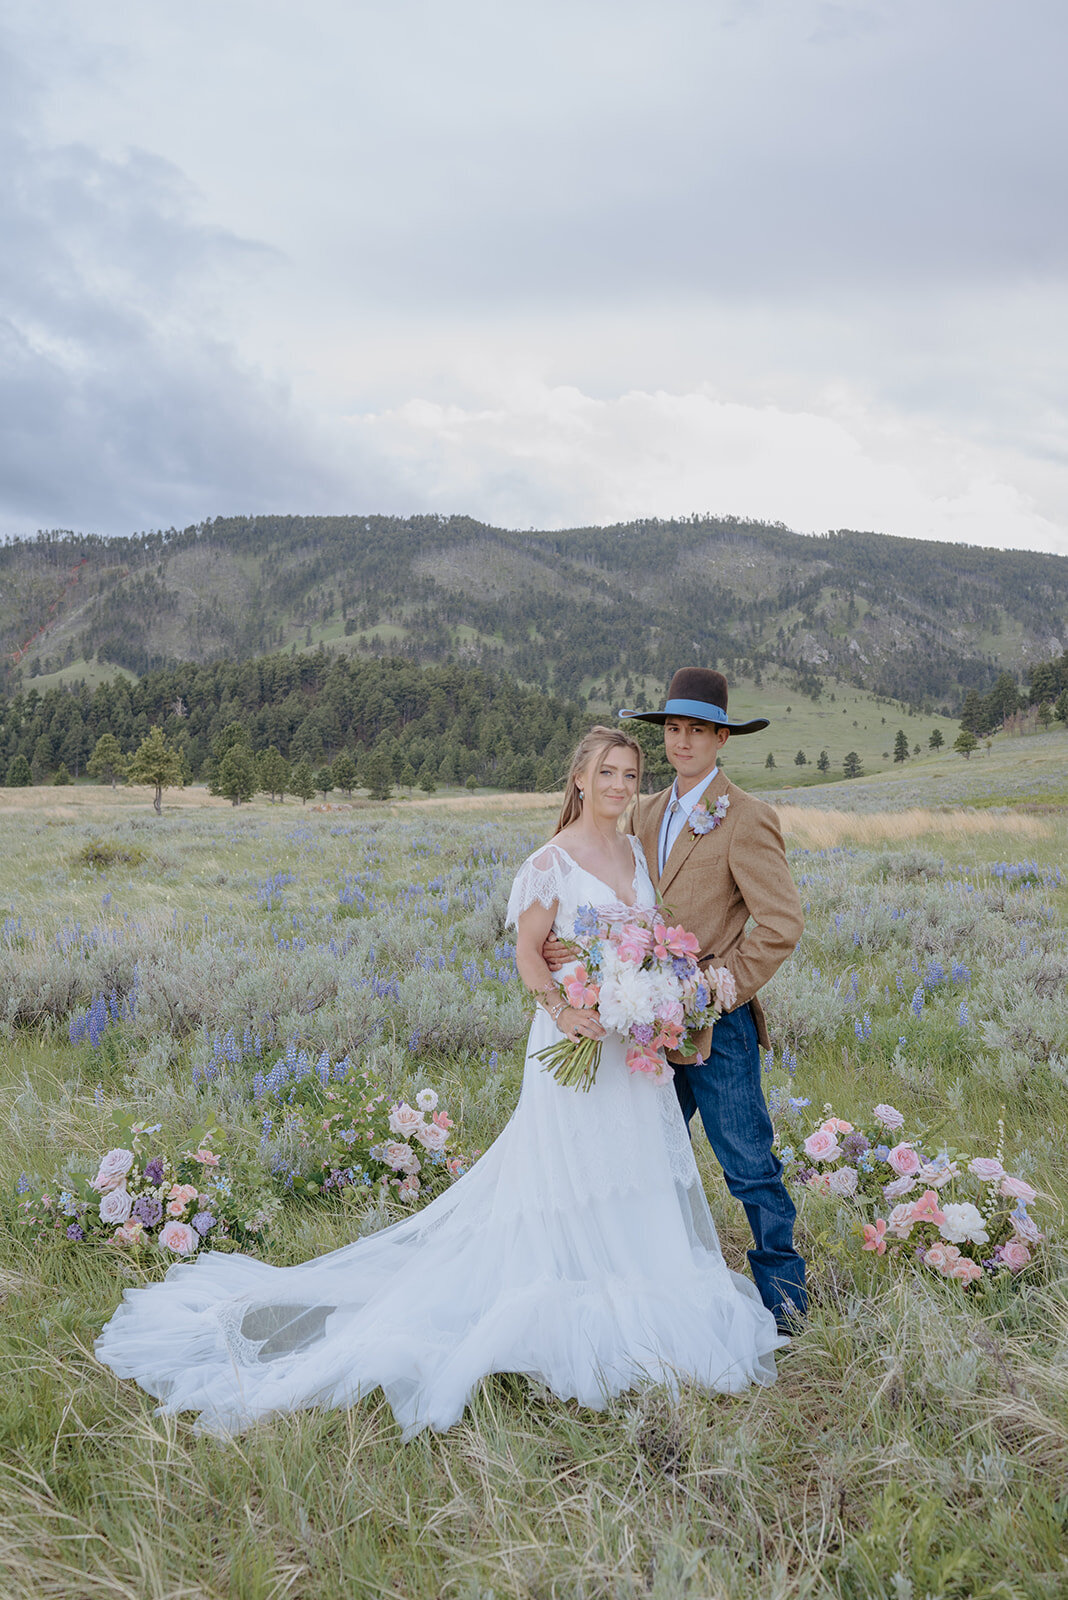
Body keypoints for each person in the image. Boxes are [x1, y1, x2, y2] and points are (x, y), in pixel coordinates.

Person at [94, 724, 782, 1439]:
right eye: (607, 772)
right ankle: (565, 1292)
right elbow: (527, 953)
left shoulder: (637, 850)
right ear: (579, 778)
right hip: (575, 1039)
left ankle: (635, 1280)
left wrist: (644, 992)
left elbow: (646, 939)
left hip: (627, 1051)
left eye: (629, 775)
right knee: (570, 1172)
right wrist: (563, 1006)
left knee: (630, 1170)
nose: (619, 785)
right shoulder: (550, 861)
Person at [620, 668, 807, 1332]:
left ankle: (785, 1305)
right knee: (640, 1158)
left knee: (749, 1167)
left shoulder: (747, 817)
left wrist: (713, 990)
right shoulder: (641, 812)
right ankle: (652, 1287)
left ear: (722, 737)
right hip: (645, 1025)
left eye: (697, 730)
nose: (682, 742)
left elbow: (781, 923)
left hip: (714, 1028)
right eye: (673, 729)